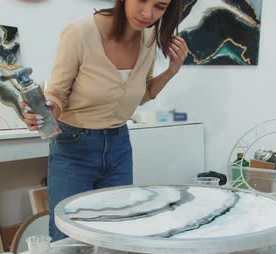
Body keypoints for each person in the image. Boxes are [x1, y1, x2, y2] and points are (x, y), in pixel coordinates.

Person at [23, 0, 188, 241]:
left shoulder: (149, 37)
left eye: (159, 6)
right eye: (141, 0)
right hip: (74, 147)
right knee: (67, 240)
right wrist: (43, 113)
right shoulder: (80, 32)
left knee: (117, 233)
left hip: (119, 145)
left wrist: (172, 70)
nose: (147, 13)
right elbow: (56, 95)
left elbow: (142, 94)